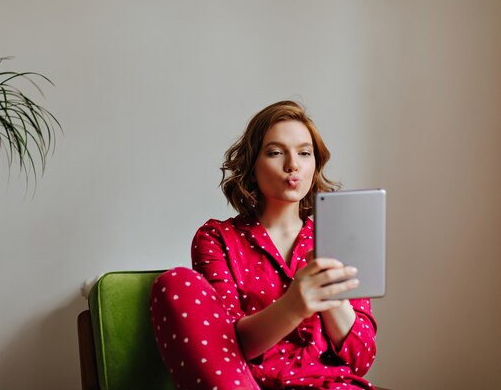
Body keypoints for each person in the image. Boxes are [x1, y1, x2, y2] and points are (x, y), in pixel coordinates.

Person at [150, 100, 377, 390]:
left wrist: (330, 296)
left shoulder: (337, 237)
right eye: (275, 152)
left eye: (304, 153)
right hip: (248, 385)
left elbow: (361, 358)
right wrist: (294, 305)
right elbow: (224, 349)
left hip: (333, 386)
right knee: (175, 282)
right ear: (252, 165)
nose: (292, 164)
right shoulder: (217, 238)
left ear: (315, 164)